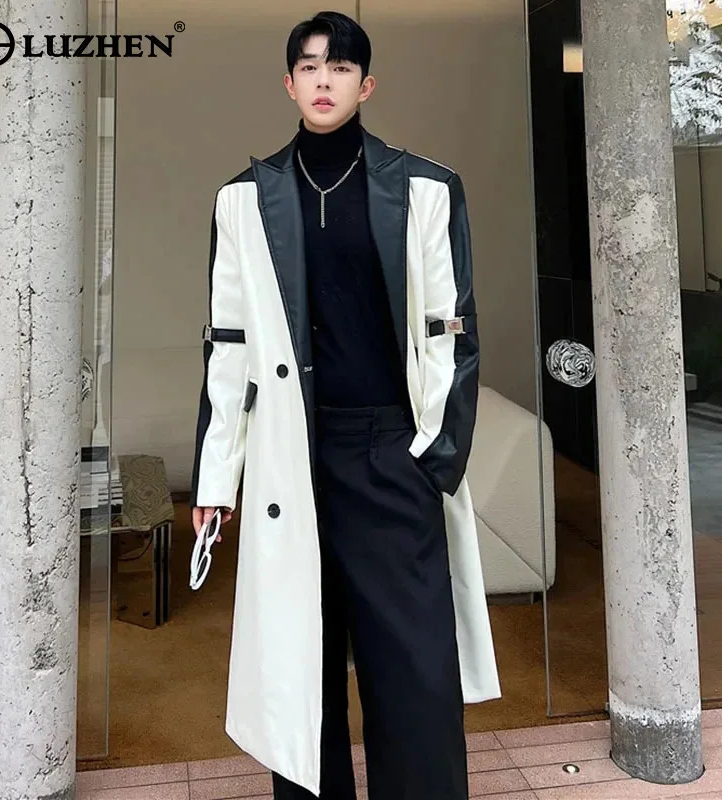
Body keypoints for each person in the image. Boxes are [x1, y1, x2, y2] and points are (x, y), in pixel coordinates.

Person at [189, 10, 500, 799]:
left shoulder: (427, 188)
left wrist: (436, 457)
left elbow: (455, 333)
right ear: (288, 82)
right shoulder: (243, 200)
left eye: (340, 67)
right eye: (309, 66)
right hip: (291, 457)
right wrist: (216, 481)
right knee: (302, 666)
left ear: (367, 84)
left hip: (392, 453)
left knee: (414, 671)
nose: (323, 80)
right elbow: (228, 347)